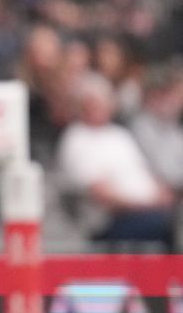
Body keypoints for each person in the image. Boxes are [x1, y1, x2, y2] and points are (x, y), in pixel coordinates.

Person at [57, 71, 175, 252]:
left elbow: (146, 172)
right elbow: (101, 194)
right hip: (110, 223)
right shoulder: (77, 139)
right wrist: (145, 205)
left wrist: (163, 195)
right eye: (93, 102)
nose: (99, 107)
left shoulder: (120, 134)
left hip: (149, 210)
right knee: (164, 224)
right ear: (82, 105)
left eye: (104, 101)